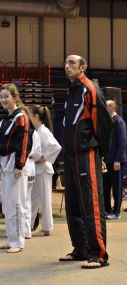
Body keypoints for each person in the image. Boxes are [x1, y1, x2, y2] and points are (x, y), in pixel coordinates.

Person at [59, 55, 113, 269]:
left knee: (91, 203)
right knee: (73, 205)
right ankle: (80, 249)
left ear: (83, 67)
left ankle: (98, 254)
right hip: (70, 156)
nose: (66, 66)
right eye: (65, 63)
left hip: (86, 153)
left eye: (71, 63)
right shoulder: (71, 91)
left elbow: (104, 123)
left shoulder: (89, 88)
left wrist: (100, 153)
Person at [0, 83, 31, 253]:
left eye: (6, 97)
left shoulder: (21, 117)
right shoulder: (5, 120)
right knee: (8, 204)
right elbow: (0, 145)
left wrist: (19, 165)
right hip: (4, 164)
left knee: (16, 204)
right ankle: (11, 239)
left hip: (15, 165)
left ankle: (18, 242)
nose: (3, 100)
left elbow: (22, 143)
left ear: (14, 98)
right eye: (1, 97)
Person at [28, 105, 61, 237]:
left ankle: (46, 228)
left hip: (43, 170)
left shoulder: (43, 131)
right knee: (32, 199)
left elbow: (56, 147)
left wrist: (44, 158)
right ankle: (28, 226)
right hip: (38, 170)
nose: (28, 118)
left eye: (30, 115)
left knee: (44, 199)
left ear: (36, 117)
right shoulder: (38, 131)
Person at [103, 100, 127, 219]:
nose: (105, 108)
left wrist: (118, 159)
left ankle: (116, 212)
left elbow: (122, 142)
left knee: (116, 187)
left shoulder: (119, 122)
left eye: (106, 106)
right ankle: (107, 209)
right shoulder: (107, 121)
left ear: (112, 107)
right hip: (107, 160)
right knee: (106, 186)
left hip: (116, 161)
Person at [24, 129, 42, 239]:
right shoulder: (34, 133)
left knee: (22, 199)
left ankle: (24, 229)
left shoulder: (29, 133)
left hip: (24, 164)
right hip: (30, 164)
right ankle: (27, 229)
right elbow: (38, 154)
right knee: (27, 199)